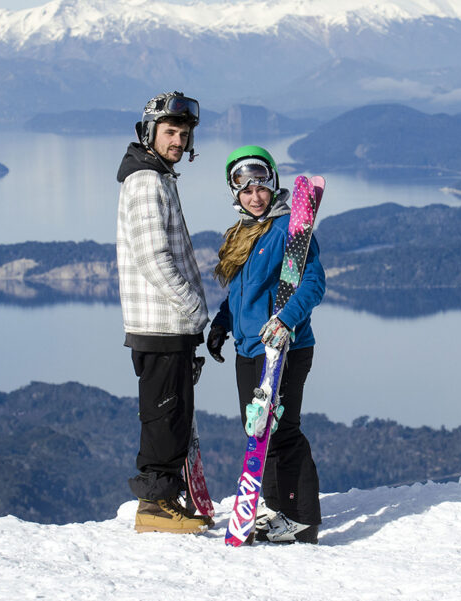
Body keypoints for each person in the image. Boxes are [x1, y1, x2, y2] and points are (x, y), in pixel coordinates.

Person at [207, 145, 326, 544]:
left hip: (285, 347)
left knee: (283, 430)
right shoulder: (243, 233)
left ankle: (302, 518)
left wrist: (285, 320)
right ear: (235, 194)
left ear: (273, 184)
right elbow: (242, 293)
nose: (255, 196)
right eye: (246, 190)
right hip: (249, 348)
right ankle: (277, 506)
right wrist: (223, 323)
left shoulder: (289, 230)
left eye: (261, 187)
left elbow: (313, 284)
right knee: (259, 433)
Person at [116, 91, 210, 534]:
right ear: (149, 132)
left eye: (184, 134)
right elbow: (153, 258)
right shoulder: (146, 182)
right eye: (170, 132)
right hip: (162, 323)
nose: (178, 140)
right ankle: (153, 506)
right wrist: (193, 307)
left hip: (169, 324)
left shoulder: (158, 176)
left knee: (172, 415)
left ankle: (166, 499)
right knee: (163, 414)